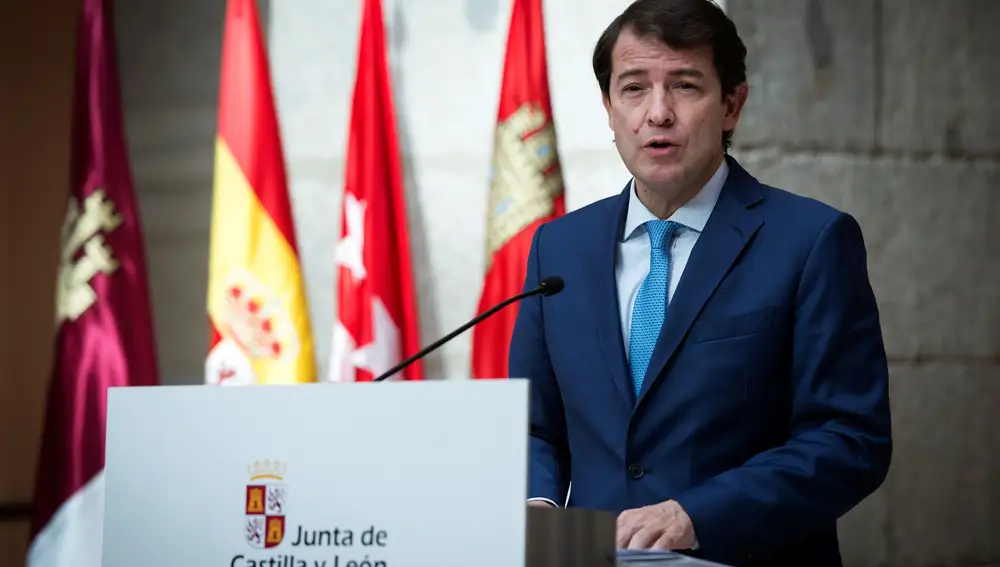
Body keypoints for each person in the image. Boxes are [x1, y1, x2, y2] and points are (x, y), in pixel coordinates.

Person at [508, 1, 892, 566]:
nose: (657, 113)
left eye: (685, 86)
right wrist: (535, 499)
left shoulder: (811, 241)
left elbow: (848, 439)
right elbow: (534, 425)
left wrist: (696, 515)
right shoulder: (558, 248)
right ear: (609, 108)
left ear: (732, 104)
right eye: (634, 88)